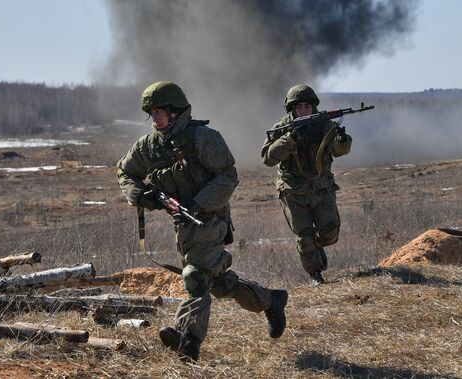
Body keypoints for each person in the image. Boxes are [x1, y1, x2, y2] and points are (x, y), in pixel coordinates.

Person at [117, 81, 288, 362]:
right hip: (181, 224)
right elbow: (125, 171)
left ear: (175, 111)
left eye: (159, 112)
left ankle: (187, 340)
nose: (154, 118)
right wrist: (138, 194)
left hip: (210, 219)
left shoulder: (203, 138)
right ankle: (271, 300)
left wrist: (198, 203)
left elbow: (227, 176)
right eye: (151, 113)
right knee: (218, 284)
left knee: (195, 278)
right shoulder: (149, 145)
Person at [261, 84, 352, 285]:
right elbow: (268, 158)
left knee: (331, 233)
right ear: (292, 109)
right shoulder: (283, 128)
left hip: (321, 187)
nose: (303, 111)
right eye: (299, 107)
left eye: (307, 107)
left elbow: (339, 150)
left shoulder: (324, 124)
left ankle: (316, 247)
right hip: (293, 190)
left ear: (313, 107)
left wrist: (341, 140)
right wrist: (291, 139)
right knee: (305, 236)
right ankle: (315, 275)